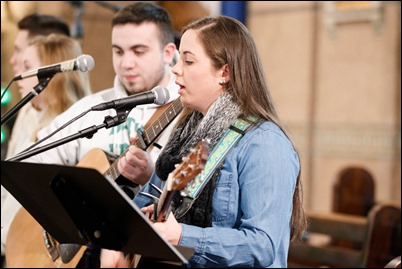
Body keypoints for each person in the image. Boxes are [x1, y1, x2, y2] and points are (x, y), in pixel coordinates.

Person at [101, 16, 307, 268]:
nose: (176, 69)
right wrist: (116, 242)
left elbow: (262, 245)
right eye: (178, 60)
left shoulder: (265, 144)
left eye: (188, 61)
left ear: (225, 72)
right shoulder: (185, 133)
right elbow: (146, 202)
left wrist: (182, 236)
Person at [1, 34, 91, 258]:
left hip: (35, 251)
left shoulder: (71, 128)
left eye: (28, 67)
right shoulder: (32, 115)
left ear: (52, 75)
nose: (18, 75)